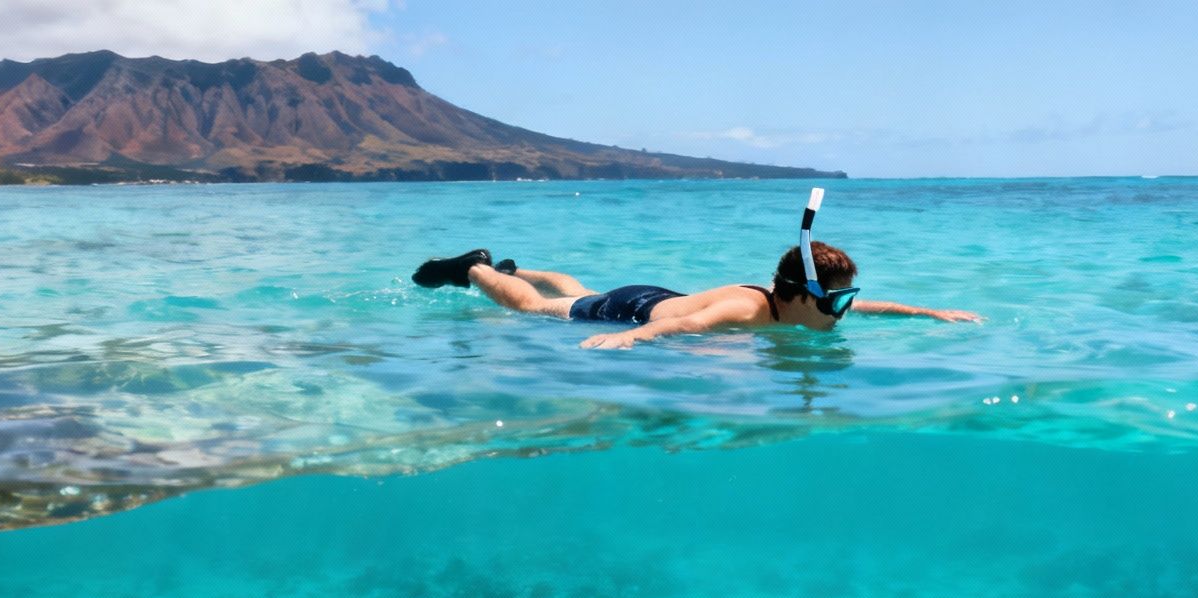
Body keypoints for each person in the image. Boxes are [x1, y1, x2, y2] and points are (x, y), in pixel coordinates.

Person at [411, 244, 983, 349]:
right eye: (835, 302)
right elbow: (684, 328)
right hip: (635, 310)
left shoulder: (797, 305)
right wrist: (628, 339)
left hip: (662, 295)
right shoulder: (747, 309)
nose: (844, 311)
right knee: (534, 308)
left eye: (846, 299)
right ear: (802, 297)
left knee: (581, 289)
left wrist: (927, 312)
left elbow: (872, 306)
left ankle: (517, 267)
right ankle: (478, 270)